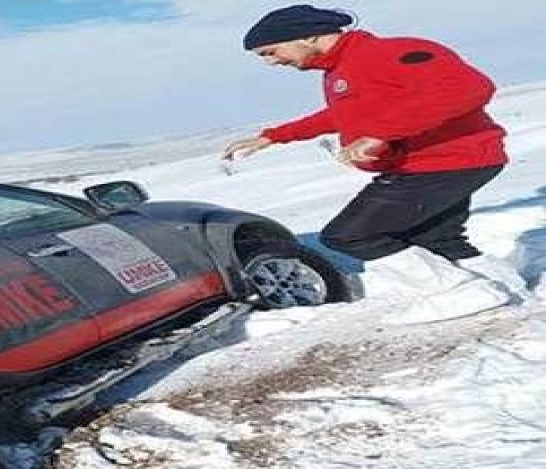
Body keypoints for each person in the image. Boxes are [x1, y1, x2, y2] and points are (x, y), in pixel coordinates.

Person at [222, 4, 529, 324]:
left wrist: (379, 134)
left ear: (309, 36)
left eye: (271, 52)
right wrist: (273, 137)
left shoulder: (389, 52)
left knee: (350, 235)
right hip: (437, 163)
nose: (272, 62)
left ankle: (457, 290)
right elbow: (343, 115)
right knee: (436, 237)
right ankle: (500, 284)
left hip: (444, 161)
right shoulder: (341, 70)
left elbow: (468, 88)